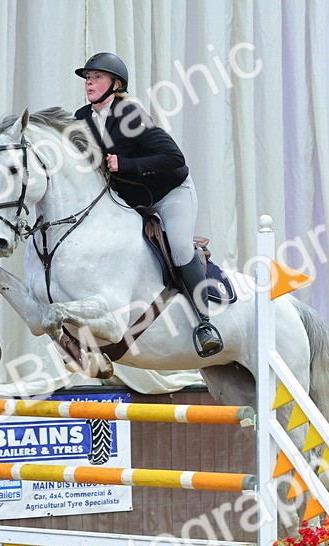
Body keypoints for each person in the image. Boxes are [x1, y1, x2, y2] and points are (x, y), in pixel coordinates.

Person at [73, 52, 223, 358]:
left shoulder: (130, 114)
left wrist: (125, 164)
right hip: (130, 201)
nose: (89, 82)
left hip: (170, 193)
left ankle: (205, 323)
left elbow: (174, 158)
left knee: (179, 247)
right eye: (88, 77)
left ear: (116, 84)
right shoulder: (81, 118)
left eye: (97, 77)